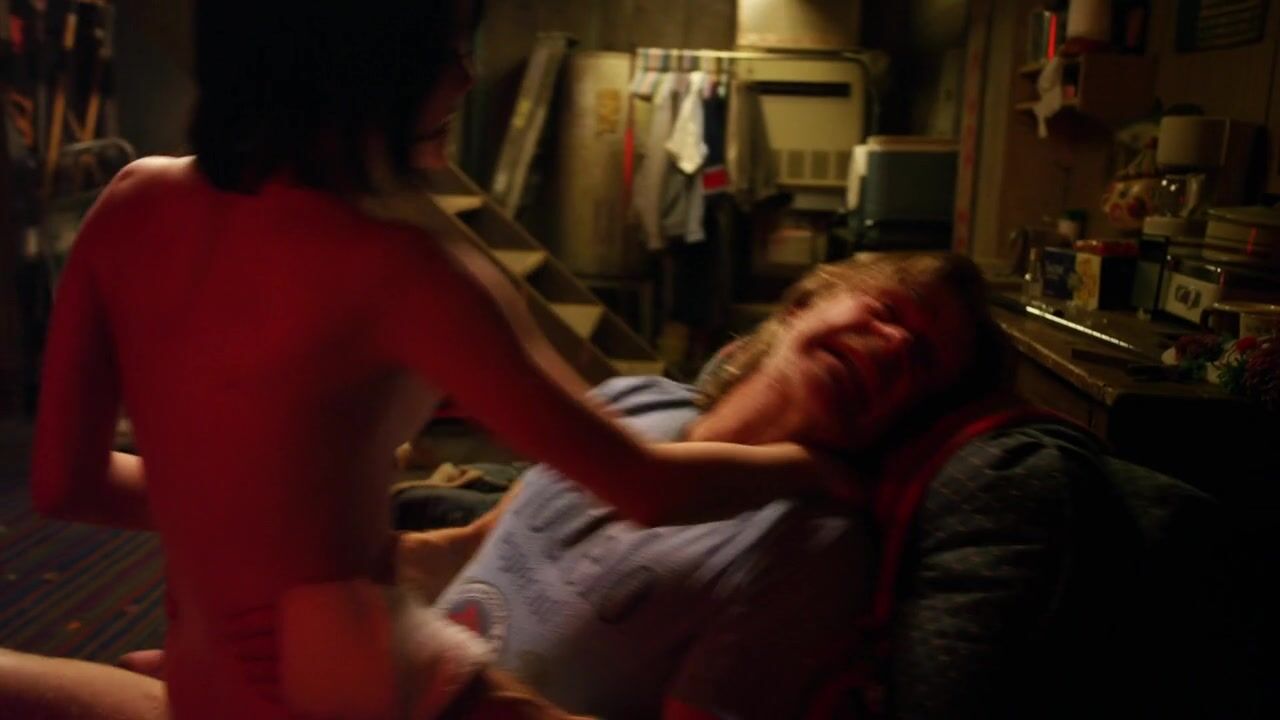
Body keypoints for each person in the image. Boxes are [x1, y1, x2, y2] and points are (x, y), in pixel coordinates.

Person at [14, 2, 852, 718]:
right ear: (360, 62)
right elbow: (643, 486)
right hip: (351, 679)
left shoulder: (132, 200)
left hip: (207, 680)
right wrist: (807, 467)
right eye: (446, 48)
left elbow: (67, 485)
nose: (466, 76)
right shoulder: (400, 272)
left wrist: (239, 530)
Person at [388, 252, 1123, 719]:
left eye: (923, 362)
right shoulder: (636, 400)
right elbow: (465, 549)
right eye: (888, 311)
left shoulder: (814, 548)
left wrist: (456, 688)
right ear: (804, 305)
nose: (897, 343)